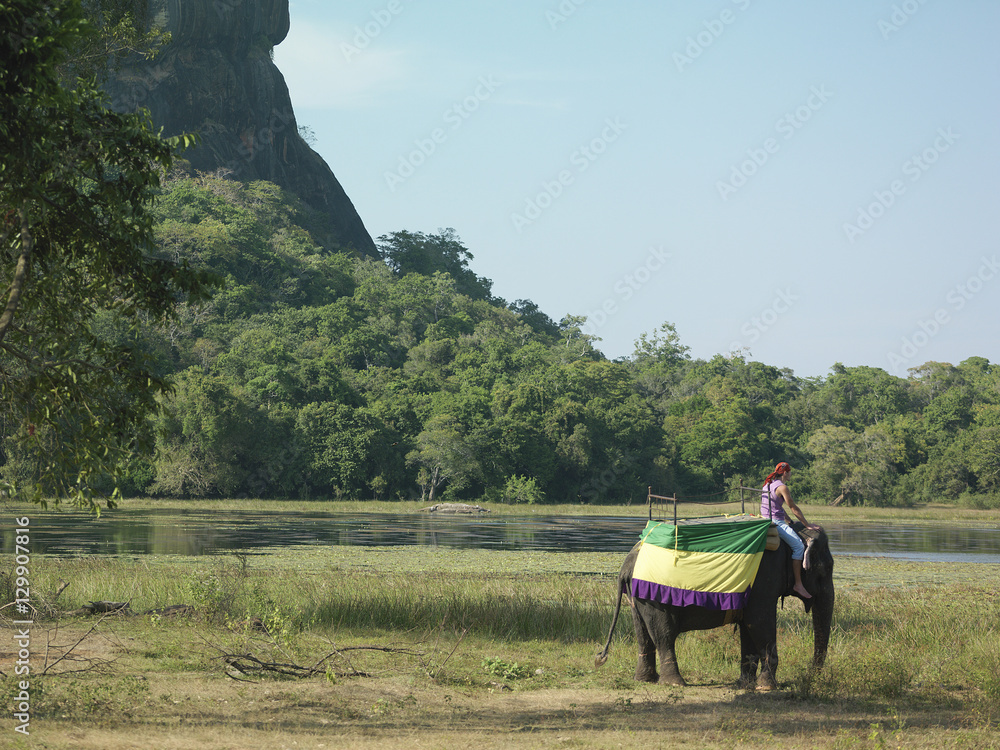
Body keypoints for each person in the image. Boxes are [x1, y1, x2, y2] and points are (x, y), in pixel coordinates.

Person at [760, 462, 819, 599]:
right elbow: (793, 507)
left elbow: (776, 507)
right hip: (775, 522)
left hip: (765, 517)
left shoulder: (767, 484)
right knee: (798, 546)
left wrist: (789, 520)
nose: (791, 474)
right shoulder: (782, 487)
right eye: (790, 471)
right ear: (785, 473)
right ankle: (798, 584)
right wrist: (807, 524)